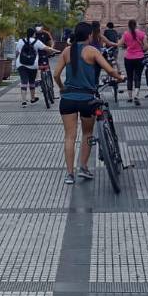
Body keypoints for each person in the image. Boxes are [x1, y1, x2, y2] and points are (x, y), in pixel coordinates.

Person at [54, 22, 124, 184]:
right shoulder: (92, 51)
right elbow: (110, 70)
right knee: (87, 133)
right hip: (87, 99)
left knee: (69, 137)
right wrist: (120, 78)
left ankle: (69, 174)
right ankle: (83, 168)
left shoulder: (66, 51)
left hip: (68, 100)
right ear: (88, 36)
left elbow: (56, 74)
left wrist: (63, 88)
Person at [15, 27, 55, 106]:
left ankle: (24, 101)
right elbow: (47, 48)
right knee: (32, 81)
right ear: (34, 34)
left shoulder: (20, 41)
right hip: (32, 64)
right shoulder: (37, 42)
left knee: (24, 81)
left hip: (21, 64)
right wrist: (53, 51)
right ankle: (33, 98)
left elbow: (17, 53)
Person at [121, 19, 148, 105]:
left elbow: (120, 44)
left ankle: (130, 97)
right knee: (138, 76)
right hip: (139, 57)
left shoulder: (125, 34)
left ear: (128, 25)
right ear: (136, 25)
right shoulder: (142, 34)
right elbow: (146, 46)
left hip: (128, 58)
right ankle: (136, 95)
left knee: (129, 77)